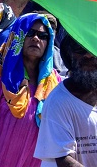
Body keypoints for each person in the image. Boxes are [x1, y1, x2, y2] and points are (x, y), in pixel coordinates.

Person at [0, 13, 60, 167]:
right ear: (17, 36)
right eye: (30, 33)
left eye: (43, 36)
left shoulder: (53, 82)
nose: (36, 39)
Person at [35, 35, 97, 166]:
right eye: (80, 49)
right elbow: (64, 159)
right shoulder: (58, 101)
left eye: (92, 48)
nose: (88, 55)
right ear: (69, 54)